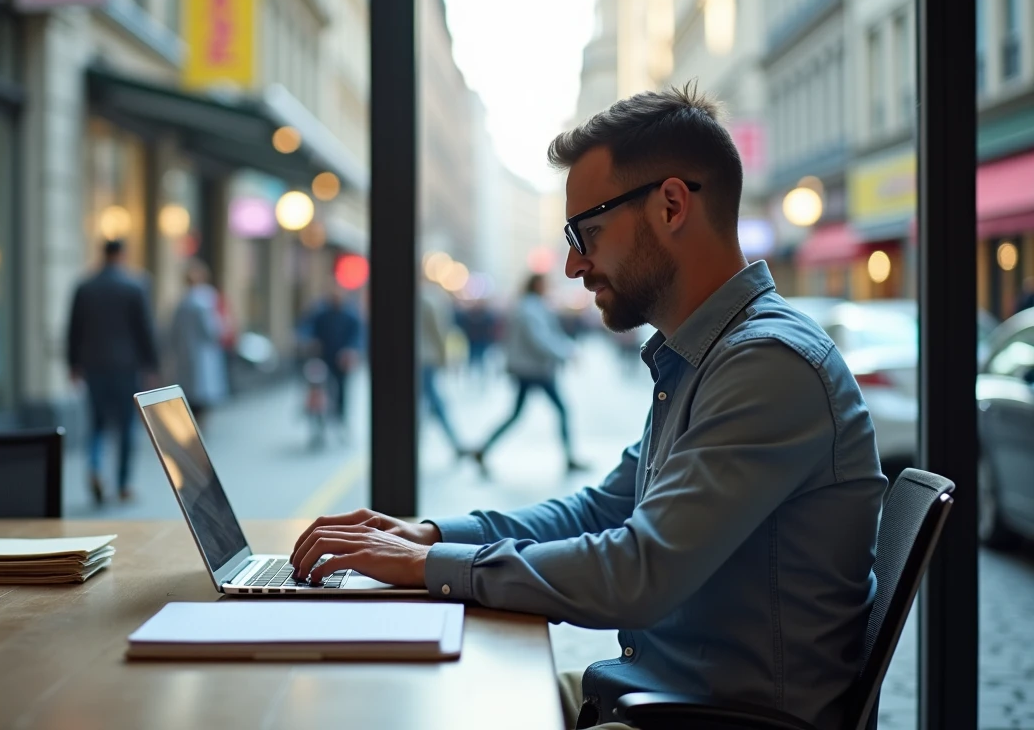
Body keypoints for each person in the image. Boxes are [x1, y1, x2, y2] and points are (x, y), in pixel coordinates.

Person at [286, 85, 887, 730]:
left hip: (710, 719)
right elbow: (600, 510)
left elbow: (637, 571)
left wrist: (429, 567)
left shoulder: (766, 366)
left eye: (587, 232)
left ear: (672, 205)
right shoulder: (706, 358)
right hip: (658, 699)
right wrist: (431, 537)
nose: (574, 264)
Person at [67, 238, 159, 504]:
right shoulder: (134, 286)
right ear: (123, 255)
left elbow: (73, 329)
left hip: (93, 365)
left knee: (96, 423)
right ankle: (122, 484)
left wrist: (73, 364)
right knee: (126, 426)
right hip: (125, 367)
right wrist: (151, 365)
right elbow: (145, 329)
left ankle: (95, 468)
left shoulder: (85, 287)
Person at [471, 273, 584, 476]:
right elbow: (540, 339)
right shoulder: (530, 309)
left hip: (529, 368)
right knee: (561, 410)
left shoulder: (528, 306)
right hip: (534, 370)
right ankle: (569, 458)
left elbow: (545, 336)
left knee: (517, 414)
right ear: (537, 286)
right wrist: (566, 354)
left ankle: (483, 449)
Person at [167, 260, 229, 427]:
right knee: (201, 395)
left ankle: (193, 426)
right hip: (202, 355)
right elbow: (213, 330)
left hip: (187, 355)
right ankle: (198, 428)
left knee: (192, 393)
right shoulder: (205, 299)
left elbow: (172, 333)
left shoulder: (182, 301)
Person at [298, 290, 363, 433]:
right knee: (315, 383)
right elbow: (308, 327)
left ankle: (340, 417)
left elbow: (357, 336)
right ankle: (316, 411)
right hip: (322, 356)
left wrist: (351, 350)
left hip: (341, 358)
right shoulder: (321, 313)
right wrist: (307, 339)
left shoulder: (350, 315)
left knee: (341, 387)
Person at [420, 282, 465, 456]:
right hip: (427, 358)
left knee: (431, 399)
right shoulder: (430, 301)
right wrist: (444, 358)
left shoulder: (426, 300)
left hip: (423, 359)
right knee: (434, 401)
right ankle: (454, 441)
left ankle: (453, 440)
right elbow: (439, 331)